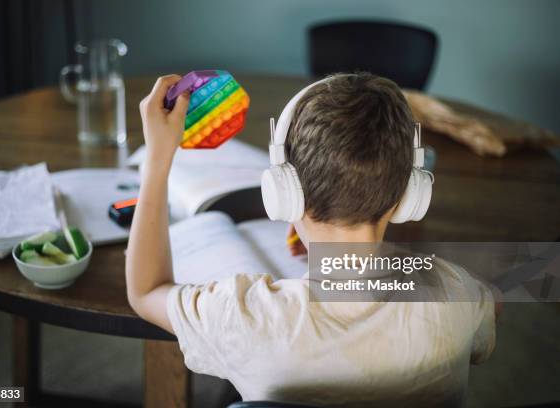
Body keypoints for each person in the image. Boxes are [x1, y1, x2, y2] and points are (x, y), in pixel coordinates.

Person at [126, 73, 497, 407]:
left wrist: (159, 158)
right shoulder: (455, 294)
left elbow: (146, 291)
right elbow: (490, 308)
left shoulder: (243, 317)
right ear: (409, 195)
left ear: (285, 195)